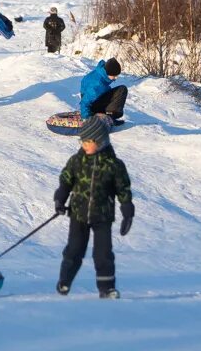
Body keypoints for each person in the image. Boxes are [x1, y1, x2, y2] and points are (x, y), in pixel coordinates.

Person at [53, 115, 134, 299]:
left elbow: (123, 190)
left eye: (87, 141)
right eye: (82, 141)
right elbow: (65, 182)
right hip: (78, 214)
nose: (84, 145)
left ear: (100, 141)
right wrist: (60, 201)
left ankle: (106, 288)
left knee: (103, 253)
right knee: (74, 250)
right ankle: (64, 282)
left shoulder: (114, 165)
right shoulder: (76, 161)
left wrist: (127, 212)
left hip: (102, 216)